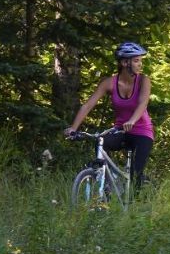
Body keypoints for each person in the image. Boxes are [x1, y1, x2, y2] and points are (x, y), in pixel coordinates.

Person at [65, 41, 154, 191]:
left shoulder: (144, 80)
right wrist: (73, 128)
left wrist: (132, 121)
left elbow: (142, 104)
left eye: (140, 60)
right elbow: (87, 105)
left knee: (135, 174)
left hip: (142, 132)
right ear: (125, 62)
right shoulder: (109, 83)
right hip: (121, 131)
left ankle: (133, 206)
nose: (140, 64)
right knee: (101, 142)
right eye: (137, 60)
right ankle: (108, 182)